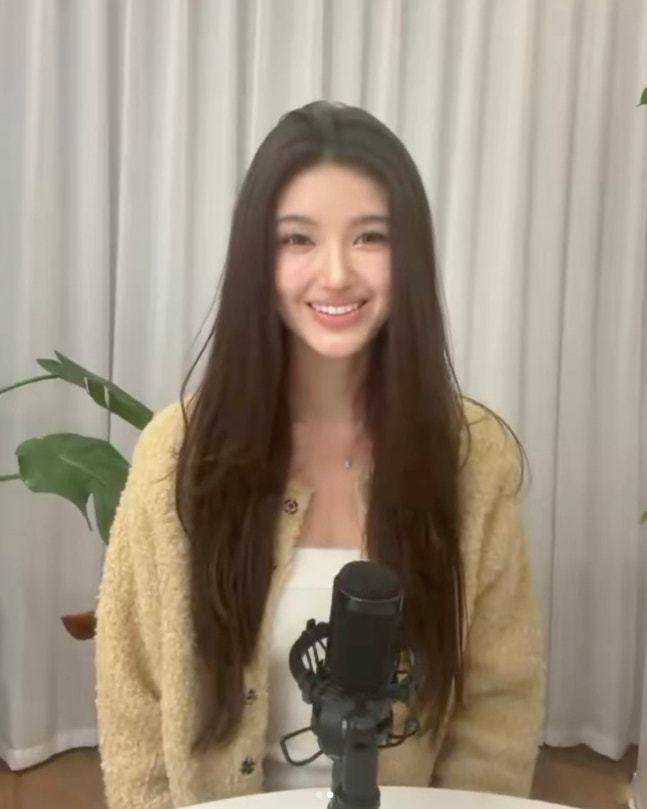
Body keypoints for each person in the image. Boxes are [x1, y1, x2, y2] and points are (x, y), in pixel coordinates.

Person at [95, 100, 545, 809]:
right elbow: (135, 707)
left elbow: (498, 707)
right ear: (258, 259)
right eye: (297, 239)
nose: (335, 274)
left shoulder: (472, 457)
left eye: (369, 237)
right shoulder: (176, 453)